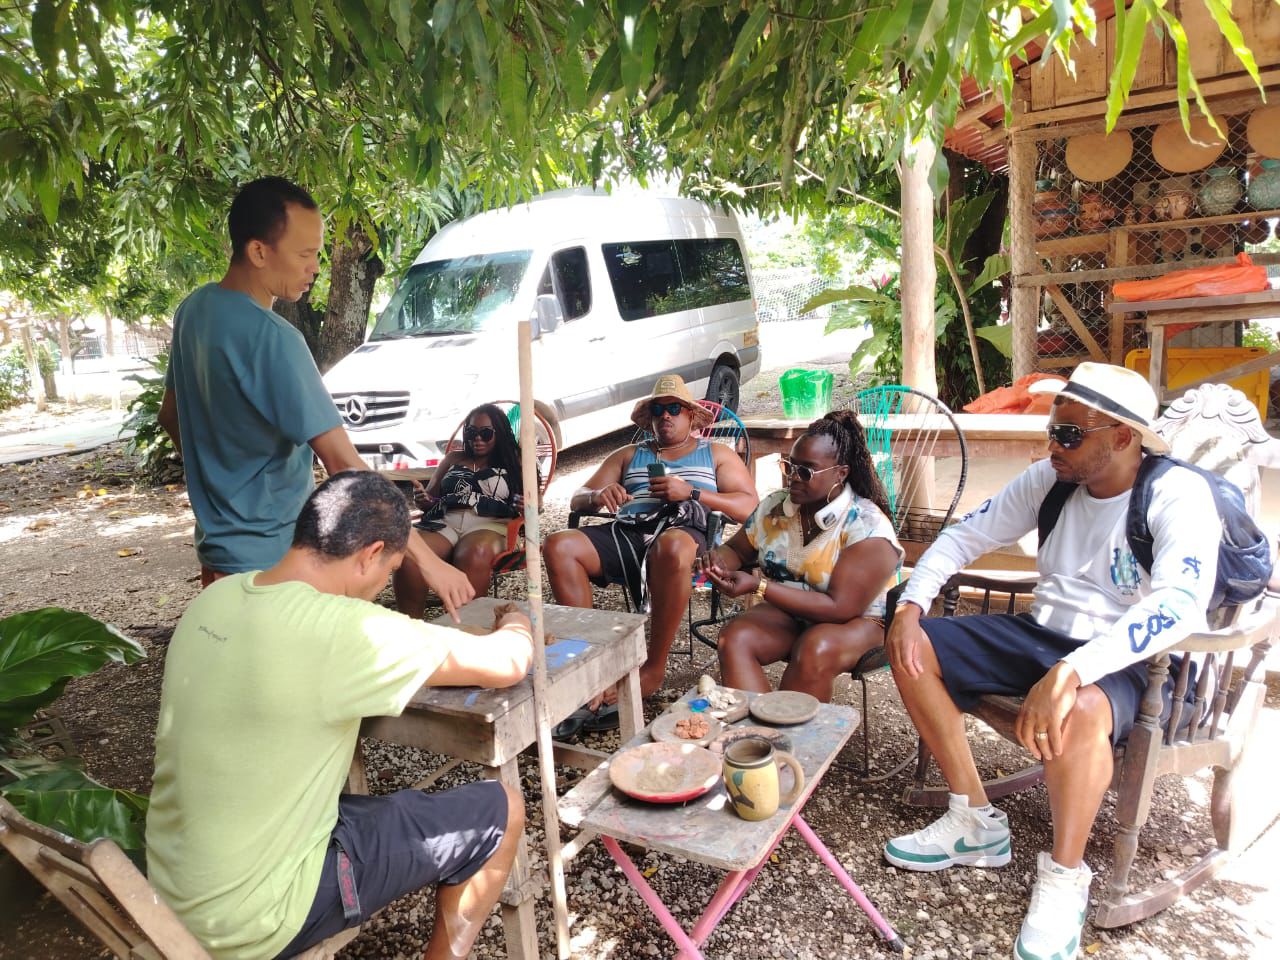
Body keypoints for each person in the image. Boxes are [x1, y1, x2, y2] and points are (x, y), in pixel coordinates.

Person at [882, 363, 1220, 960]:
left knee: (1083, 709)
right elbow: (963, 537)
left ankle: (1065, 878)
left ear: (1121, 437)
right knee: (913, 645)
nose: (1051, 446)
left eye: (1068, 435)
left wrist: (1074, 672)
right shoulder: (1051, 479)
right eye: (1051, 431)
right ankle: (976, 818)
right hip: (1043, 633)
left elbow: (1181, 605)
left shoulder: (1176, 494)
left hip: (1134, 656)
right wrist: (910, 604)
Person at [146, 471, 534, 960]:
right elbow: (510, 663)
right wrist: (515, 620)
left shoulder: (215, 599)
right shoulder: (346, 630)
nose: (382, 586)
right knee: (502, 808)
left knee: (382, 808)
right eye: (389, 571)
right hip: (255, 918)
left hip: (172, 891)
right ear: (370, 554)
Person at [157, 175, 471, 617]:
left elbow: (170, 415)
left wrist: (220, 484)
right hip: (276, 564)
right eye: (304, 254)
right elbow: (345, 466)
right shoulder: (274, 338)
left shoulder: (193, 311)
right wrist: (429, 561)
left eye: (317, 253)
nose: (316, 266)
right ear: (258, 251)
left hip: (218, 558)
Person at [544, 373, 757, 732]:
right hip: (628, 532)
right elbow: (578, 496)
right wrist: (598, 496)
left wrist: (691, 493)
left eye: (674, 408)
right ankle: (592, 670)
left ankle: (653, 668)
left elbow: (749, 506)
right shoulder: (628, 455)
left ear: (691, 416)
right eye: (659, 410)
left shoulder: (715, 453)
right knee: (559, 544)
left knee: (671, 545)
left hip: (683, 534)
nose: (666, 416)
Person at [703, 411, 903, 701]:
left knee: (815, 648)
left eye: (806, 471)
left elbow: (840, 607)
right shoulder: (775, 507)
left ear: (841, 473)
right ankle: (760, 735)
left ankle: (792, 739)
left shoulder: (867, 527)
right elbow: (737, 549)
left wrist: (758, 586)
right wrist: (717, 563)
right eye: (789, 466)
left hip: (862, 622)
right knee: (735, 638)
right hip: (792, 613)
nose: (793, 478)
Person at [394, 404, 533, 615]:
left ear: (500, 433)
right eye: (471, 432)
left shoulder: (515, 460)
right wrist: (423, 499)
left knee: (475, 552)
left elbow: (536, 502)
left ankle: (466, 626)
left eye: (486, 433)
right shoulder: (453, 458)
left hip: (490, 522)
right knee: (411, 555)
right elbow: (431, 496)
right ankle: (411, 627)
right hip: (445, 519)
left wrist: (529, 504)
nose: (477, 439)